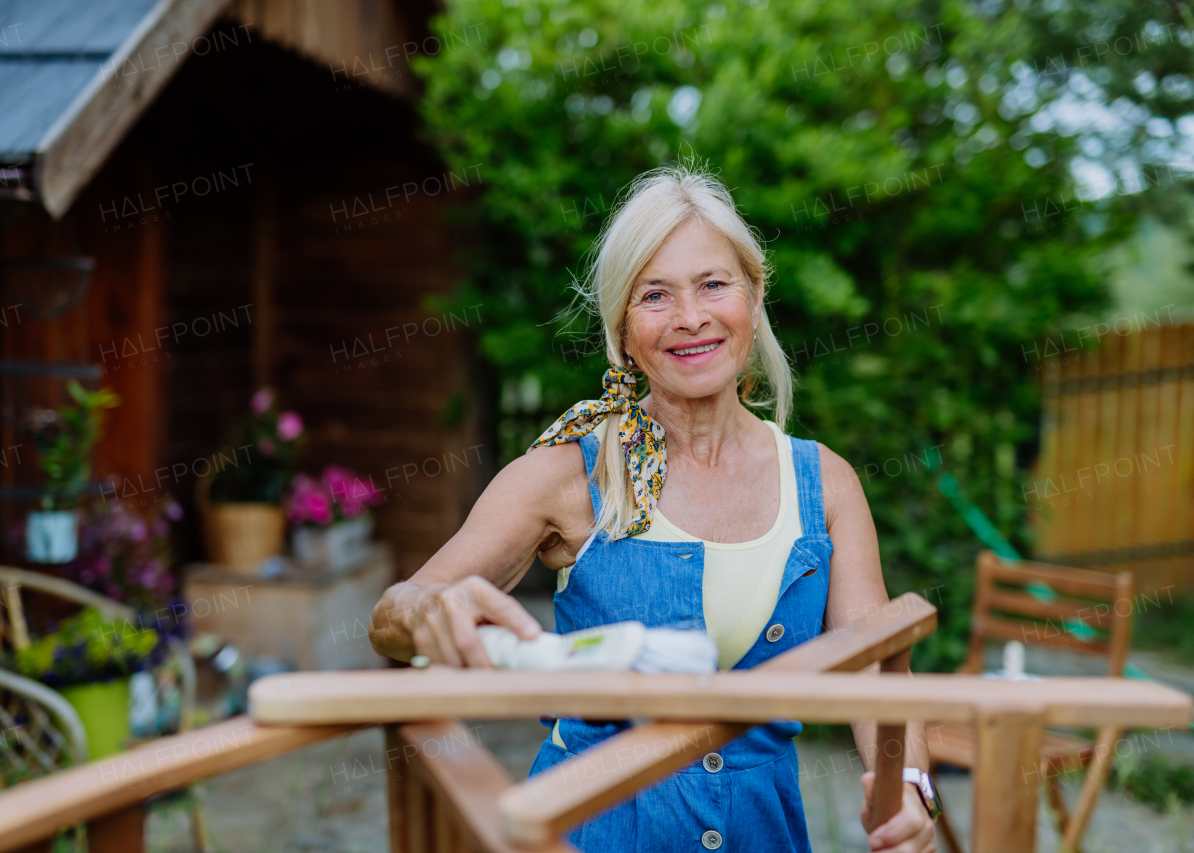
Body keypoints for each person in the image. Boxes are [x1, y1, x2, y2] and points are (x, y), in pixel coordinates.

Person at [370, 164, 937, 853]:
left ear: (754, 299)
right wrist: (426, 611)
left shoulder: (826, 483)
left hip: (764, 831)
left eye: (714, 285)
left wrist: (904, 783)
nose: (690, 317)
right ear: (623, 326)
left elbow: (875, 670)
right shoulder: (566, 474)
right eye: (655, 295)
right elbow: (395, 616)